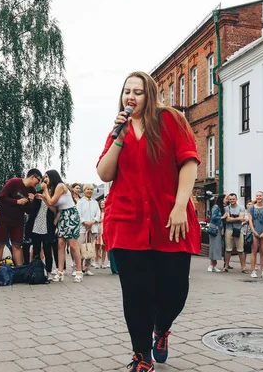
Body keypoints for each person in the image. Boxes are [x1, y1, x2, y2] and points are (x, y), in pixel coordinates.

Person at [97, 71, 200, 371]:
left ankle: (162, 328)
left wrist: (181, 205)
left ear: (150, 94)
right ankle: (142, 357)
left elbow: (190, 162)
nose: (131, 97)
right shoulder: (119, 130)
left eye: (138, 92)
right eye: (127, 91)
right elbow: (104, 174)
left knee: (175, 291)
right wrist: (118, 138)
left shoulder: (171, 120)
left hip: (171, 220)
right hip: (127, 222)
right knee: (136, 294)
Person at [41, 170, 83, 283]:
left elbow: (52, 202)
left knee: (73, 244)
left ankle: (79, 271)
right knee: (60, 244)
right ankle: (60, 271)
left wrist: (45, 191)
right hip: (62, 215)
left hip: (71, 214)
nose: (45, 179)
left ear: (52, 176)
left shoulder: (60, 186)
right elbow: (54, 208)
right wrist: (44, 198)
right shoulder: (54, 189)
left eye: (46, 177)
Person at [0, 169, 41, 264]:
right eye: (38, 180)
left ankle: (20, 270)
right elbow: (1, 197)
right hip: (3, 218)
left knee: (17, 245)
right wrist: (16, 201)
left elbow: (28, 210)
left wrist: (31, 202)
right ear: (32, 177)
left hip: (17, 221)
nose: (38, 183)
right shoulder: (14, 182)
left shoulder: (32, 190)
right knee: (0, 245)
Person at [25, 186, 57, 279]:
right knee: (36, 250)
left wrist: (44, 198)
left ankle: (49, 272)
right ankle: (36, 270)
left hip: (48, 227)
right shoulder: (37, 194)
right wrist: (32, 200)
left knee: (48, 251)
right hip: (36, 226)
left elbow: (54, 210)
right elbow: (30, 210)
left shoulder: (53, 196)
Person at [77, 183, 101, 275]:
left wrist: (93, 221)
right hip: (83, 228)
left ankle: (87, 268)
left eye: (91, 189)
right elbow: (78, 214)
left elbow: (98, 214)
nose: (90, 191)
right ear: (84, 190)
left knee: (90, 248)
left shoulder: (95, 202)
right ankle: (78, 267)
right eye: (88, 189)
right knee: (81, 248)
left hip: (93, 228)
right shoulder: (80, 202)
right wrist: (85, 222)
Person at [248, 191, 263, 279]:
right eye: (257, 196)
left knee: (262, 252)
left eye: (260, 196)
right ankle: (253, 270)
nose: (258, 197)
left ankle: (262, 271)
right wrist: (254, 231)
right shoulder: (251, 208)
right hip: (255, 231)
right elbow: (250, 220)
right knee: (254, 251)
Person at [223, 193, 246, 273]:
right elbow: (227, 220)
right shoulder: (226, 208)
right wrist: (238, 218)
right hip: (229, 230)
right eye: (230, 199)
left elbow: (242, 218)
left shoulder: (241, 207)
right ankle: (226, 266)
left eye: (233, 199)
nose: (232, 200)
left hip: (238, 229)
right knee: (228, 249)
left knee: (240, 250)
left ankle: (243, 268)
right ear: (228, 200)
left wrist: (232, 218)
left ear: (236, 199)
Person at [207, 195, 224, 273]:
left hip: (218, 228)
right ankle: (211, 265)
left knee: (217, 247)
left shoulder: (221, 207)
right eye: (226, 199)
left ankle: (214, 265)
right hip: (215, 228)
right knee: (214, 246)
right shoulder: (216, 207)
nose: (226, 200)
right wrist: (222, 217)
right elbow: (213, 217)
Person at [95, 199, 109, 269]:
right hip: (98, 231)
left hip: (105, 231)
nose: (102, 205)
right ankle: (96, 262)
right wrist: (99, 220)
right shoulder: (97, 213)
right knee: (96, 247)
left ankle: (103, 262)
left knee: (104, 248)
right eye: (101, 204)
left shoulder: (107, 212)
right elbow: (95, 220)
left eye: (104, 203)